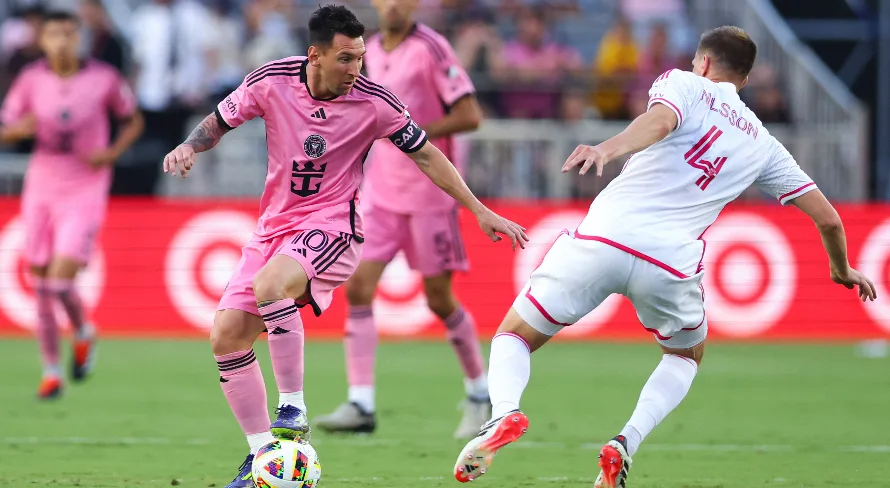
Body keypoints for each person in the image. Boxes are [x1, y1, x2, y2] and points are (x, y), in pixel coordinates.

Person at [452, 26, 877, 487]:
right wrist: (841, 268)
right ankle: (625, 442)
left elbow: (659, 122)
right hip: (670, 264)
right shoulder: (763, 143)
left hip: (604, 239)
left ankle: (505, 414)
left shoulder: (684, 83)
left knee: (514, 334)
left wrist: (606, 149)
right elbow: (829, 219)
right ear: (744, 80)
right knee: (685, 357)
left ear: (704, 63)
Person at [161, 5, 527, 488]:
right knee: (226, 335)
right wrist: (189, 146)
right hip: (273, 228)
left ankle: (293, 409)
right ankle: (263, 457)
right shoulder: (272, 81)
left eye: (359, 58)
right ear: (315, 55)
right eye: (346, 59)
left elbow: (426, 155)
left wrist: (479, 209)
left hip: (335, 227)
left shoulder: (375, 102)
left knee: (272, 285)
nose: (357, 69)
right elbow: (217, 122)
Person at [313, 0, 490, 439]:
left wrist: (411, 133)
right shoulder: (366, 50)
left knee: (438, 299)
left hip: (430, 195)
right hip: (382, 192)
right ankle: (361, 402)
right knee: (357, 286)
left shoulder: (432, 48)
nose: (393, 4)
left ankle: (480, 394)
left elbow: (470, 115)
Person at [0, 11, 144, 399]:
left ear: (79, 38)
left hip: (85, 185)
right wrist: (17, 131)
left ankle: (82, 331)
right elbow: (6, 126)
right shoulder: (31, 79)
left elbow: (133, 120)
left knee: (60, 281)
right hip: (42, 183)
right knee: (41, 283)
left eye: (68, 33)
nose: (62, 41)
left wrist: (111, 152)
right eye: (54, 34)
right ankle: (51, 371)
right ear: (42, 40)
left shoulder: (104, 78)